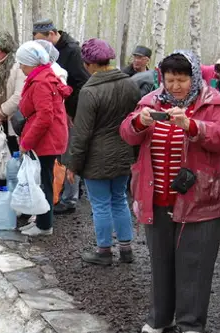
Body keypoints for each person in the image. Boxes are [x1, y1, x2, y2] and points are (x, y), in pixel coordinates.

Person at [120, 50, 220, 333]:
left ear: (194, 77)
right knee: (160, 261)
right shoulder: (150, 101)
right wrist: (139, 122)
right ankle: (160, 317)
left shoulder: (214, 102)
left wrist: (192, 125)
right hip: (157, 196)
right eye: (169, 79)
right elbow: (127, 133)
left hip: (200, 199)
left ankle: (191, 323)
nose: (174, 86)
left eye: (181, 80)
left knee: (194, 262)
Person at [66, 39, 140, 265]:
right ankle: (126, 249)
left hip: (97, 157)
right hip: (124, 152)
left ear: (88, 64)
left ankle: (104, 251)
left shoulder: (90, 91)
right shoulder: (130, 84)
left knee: (100, 204)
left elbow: (82, 132)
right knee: (119, 199)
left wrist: (73, 164)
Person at [32, 18, 90, 215]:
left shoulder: (73, 51)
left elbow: (82, 82)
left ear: (52, 34)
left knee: (69, 153)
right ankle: (61, 192)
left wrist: (72, 111)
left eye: (43, 40)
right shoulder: (52, 50)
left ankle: (70, 198)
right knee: (58, 154)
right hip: (59, 109)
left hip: (69, 110)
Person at [15, 41, 72, 236]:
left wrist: (26, 143)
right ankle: (40, 220)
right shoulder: (43, 77)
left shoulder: (40, 82)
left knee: (44, 182)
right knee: (40, 180)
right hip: (47, 138)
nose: (20, 67)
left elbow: (44, 116)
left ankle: (45, 225)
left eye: (22, 63)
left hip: (46, 140)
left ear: (31, 63)